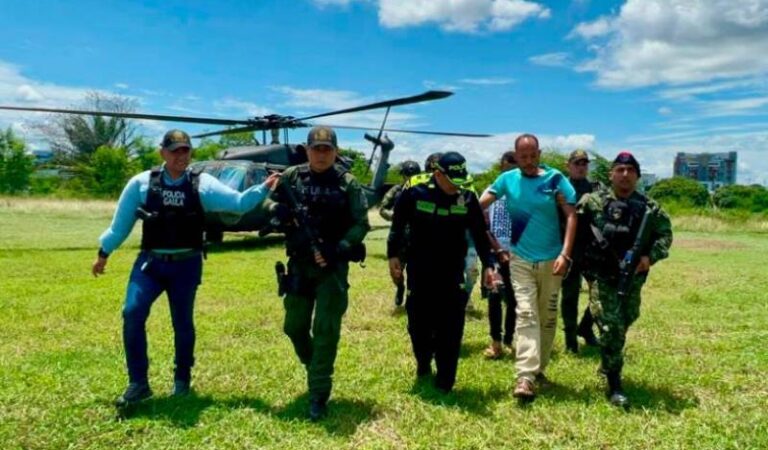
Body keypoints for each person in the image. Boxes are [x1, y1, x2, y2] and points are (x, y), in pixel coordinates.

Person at [92, 129, 279, 408]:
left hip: (186, 265)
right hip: (151, 264)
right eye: (174, 150)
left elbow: (238, 203)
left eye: (185, 150)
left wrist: (263, 188)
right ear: (162, 153)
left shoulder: (202, 184)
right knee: (132, 313)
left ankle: (182, 380)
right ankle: (138, 384)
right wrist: (104, 253)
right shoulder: (142, 183)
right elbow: (121, 225)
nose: (181, 156)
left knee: (182, 323)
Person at [264, 126, 370, 421]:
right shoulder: (291, 177)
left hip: (331, 268)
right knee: (294, 327)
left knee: (325, 331)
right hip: (299, 263)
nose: (321, 154)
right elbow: (267, 202)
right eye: (316, 149)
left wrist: (341, 247)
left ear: (335, 152)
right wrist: (277, 210)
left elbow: (361, 223)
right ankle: (314, 367)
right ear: (307, 150)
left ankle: (318, 394)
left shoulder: (347, 182)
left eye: (327, 149)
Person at [480, 134, 577, 401]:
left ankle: (538, 370)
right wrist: (492, 243)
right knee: (526, 313)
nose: (529, 160)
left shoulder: (555, 179)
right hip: (520, 259)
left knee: (547, 318)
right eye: (523, 156)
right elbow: (478, 206)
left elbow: (571, 215)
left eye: (533, 155)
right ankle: (524, 375)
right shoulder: (506, 180)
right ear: (516, 155)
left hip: (552, 259)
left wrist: (566, 254)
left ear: (539, 153)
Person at [388, 151, 494, 393]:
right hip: (420, 266)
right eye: (452, 182)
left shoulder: (467, 195)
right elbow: (398, 224)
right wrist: (393, 255)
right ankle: (424, 361)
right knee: (419, 325)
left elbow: (479, 233)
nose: (457, 187)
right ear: (438, 174)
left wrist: (489, 264)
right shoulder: (414, 189)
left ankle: (446, 379)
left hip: (452, 268)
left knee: (451, 326)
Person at [577, 151, 672, 408]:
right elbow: (573, 227)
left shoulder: (649, 208)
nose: (625, 175)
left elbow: (665, 236)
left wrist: (649, 258)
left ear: (638, 176)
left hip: (632, 278)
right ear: (611, 174)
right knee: (611, 327)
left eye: (630, 171)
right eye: (620, 170)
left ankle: (607, 360)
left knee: (626, 318)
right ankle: (615, 384)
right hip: (601, 276)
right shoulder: (592, 201)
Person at [561, 150, 601, 353]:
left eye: (585, 163)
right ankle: (570, 341)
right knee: (569, 297)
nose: (581, 166)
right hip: (567, 249)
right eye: (577, 163)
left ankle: (585, 328)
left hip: (591, 251)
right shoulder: (560, 187)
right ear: (569, 165)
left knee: (601, 293)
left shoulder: (596, 190)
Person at [482, 150, 517, 359]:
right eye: (508, 167)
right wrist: (497, 249)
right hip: (495, 253)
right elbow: (482, 224)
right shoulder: (491, 191)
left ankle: (510, 340)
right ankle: (495, 342)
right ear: (501, 168)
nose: (512, 170)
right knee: (494, 296)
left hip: (519, 254)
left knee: (514, 300)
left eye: (516, 167)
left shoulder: (524, 192)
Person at [379, 161, 421, 307]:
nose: (409, 178)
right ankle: (400, 288)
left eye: (413, 175)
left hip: (418, 238)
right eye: (407, 175)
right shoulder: (396, 191)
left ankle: (411, 296)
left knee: (416, 272)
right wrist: (397, 217)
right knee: (396, 272)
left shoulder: (424, 191)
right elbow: (383, 208)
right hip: (399, 238)